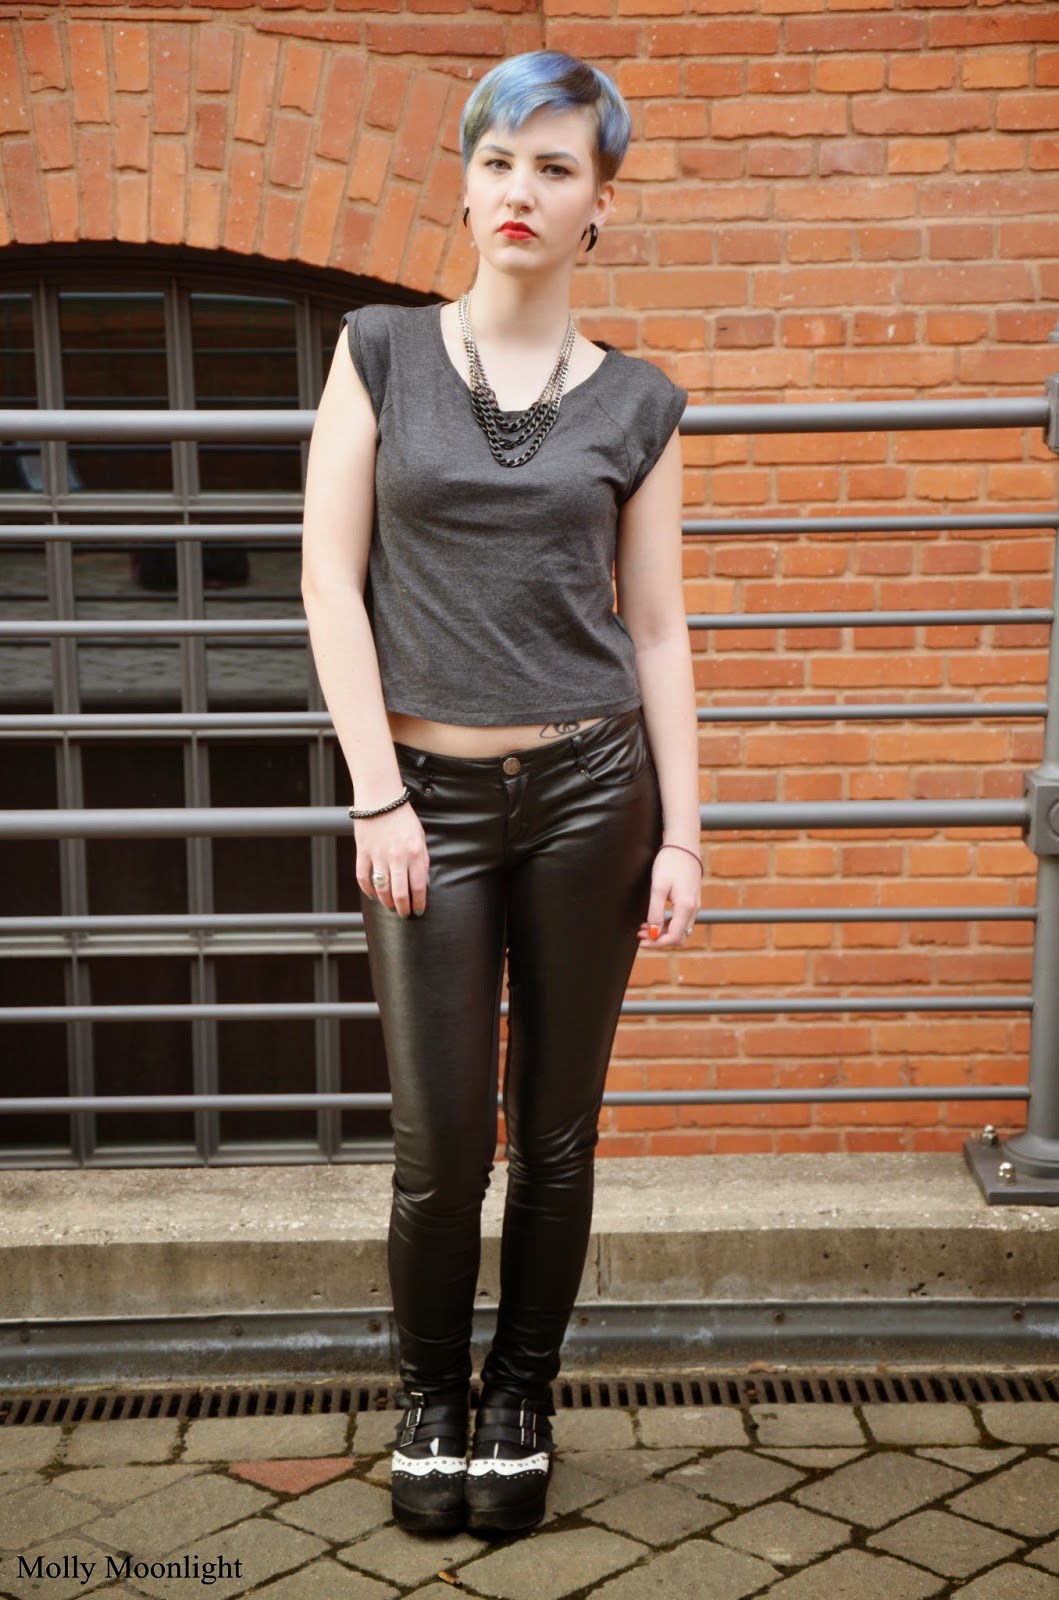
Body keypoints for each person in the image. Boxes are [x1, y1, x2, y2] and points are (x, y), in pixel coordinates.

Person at [301, 48, 701, 1538]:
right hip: (423, 802)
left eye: (554, 166)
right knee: (439, 1145)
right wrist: (376, 796)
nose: (519, 190)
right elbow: (327, 580)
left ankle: (521, 1396)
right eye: (495, 161)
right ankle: (430, 1399)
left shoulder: (641, 403)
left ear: (600, 205)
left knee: (556, 1134)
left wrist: (685, 832)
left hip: (595, 791)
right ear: (465, 187)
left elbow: (655, 629)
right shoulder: (379, 353)